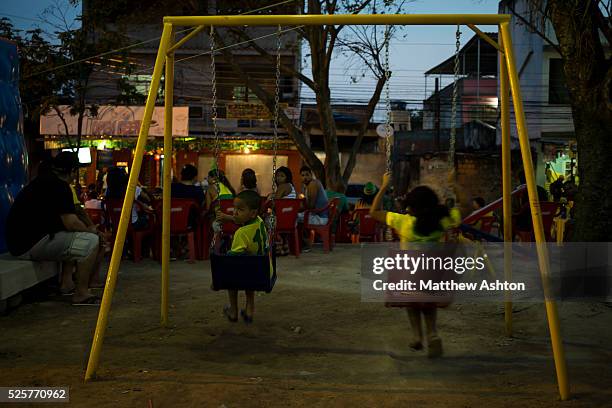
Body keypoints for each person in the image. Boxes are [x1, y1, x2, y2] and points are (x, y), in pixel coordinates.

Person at [369, 172, 459, 358]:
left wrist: (384, 186)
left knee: (410, 298)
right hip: (434, 279)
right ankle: (432, 333)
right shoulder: (441, 222)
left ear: (413, 207)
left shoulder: (404, 222)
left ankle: (417, 335)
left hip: (409, 280)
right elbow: (467, 208)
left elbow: (373, 212)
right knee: (428, 301)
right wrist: (454, 185)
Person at [6, 152, 102, 305]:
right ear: (72, 172)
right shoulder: (60, 187)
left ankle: (67, 283)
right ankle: (81, 293)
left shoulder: (40, 182)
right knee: (90, 241)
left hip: (18, 243)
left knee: (74, 238)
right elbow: (71, 222)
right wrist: (90, 230)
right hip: (30, 245)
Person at [216, 190, 269, 324]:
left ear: (252, 212)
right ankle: (249, 308)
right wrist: (226, 217)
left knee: (231, 271)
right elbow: (240, 219)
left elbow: (233, 258)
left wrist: (225, 255)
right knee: (248, 268)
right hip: (262, 272)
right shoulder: (259, 221)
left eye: (240, 209)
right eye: (234, 208)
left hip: (247, 273)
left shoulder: (241, 233)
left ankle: (233, 310)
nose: (235, 212)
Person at [105, 166, 153, 231]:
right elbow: (148, 199)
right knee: (147, 219)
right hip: (132, 224)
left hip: (115, 224)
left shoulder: (107, 192)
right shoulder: (131, 189)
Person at [298, 166, 329, 252]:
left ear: (311, 175)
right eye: (303, 175)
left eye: (307, 175)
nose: (305, 177)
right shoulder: (308, 186)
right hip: (319, 216)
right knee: (297, 216)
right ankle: (301, 244)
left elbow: (310, 206)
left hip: (320, 218)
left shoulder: (313, 184)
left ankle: (305, 245)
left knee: (294, 217)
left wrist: (299, 207)